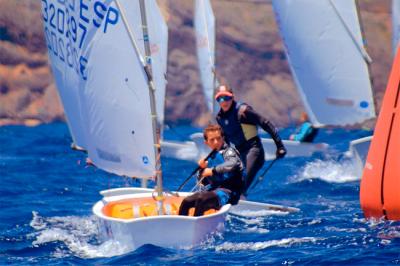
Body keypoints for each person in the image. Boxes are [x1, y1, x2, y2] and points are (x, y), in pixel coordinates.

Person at [214, 84, 287, 195]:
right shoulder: (220, 117)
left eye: (227, 97)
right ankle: (231, 198)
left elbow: (265, 123)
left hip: (254, 150)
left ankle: (237, 199)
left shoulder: (244, 111)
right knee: (227, 179)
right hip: (239, 152)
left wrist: (280, 146)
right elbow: (226, 139)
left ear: (232, 97)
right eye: (220, 98)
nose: (224, 101)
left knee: (242, 183)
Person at [178, 124, 244, 216]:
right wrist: (202, 169)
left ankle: (196, 224)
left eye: (219, 138)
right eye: (212, 140)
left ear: (223, 138)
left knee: (202, 199)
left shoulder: (229, 152)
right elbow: (204, 182)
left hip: (228, 193)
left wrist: (212, 170)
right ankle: (181, 222)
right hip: (214, 191)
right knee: (187, 201)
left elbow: (233, 163)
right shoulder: (210, 158)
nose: (216, 142)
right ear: (206, 142)